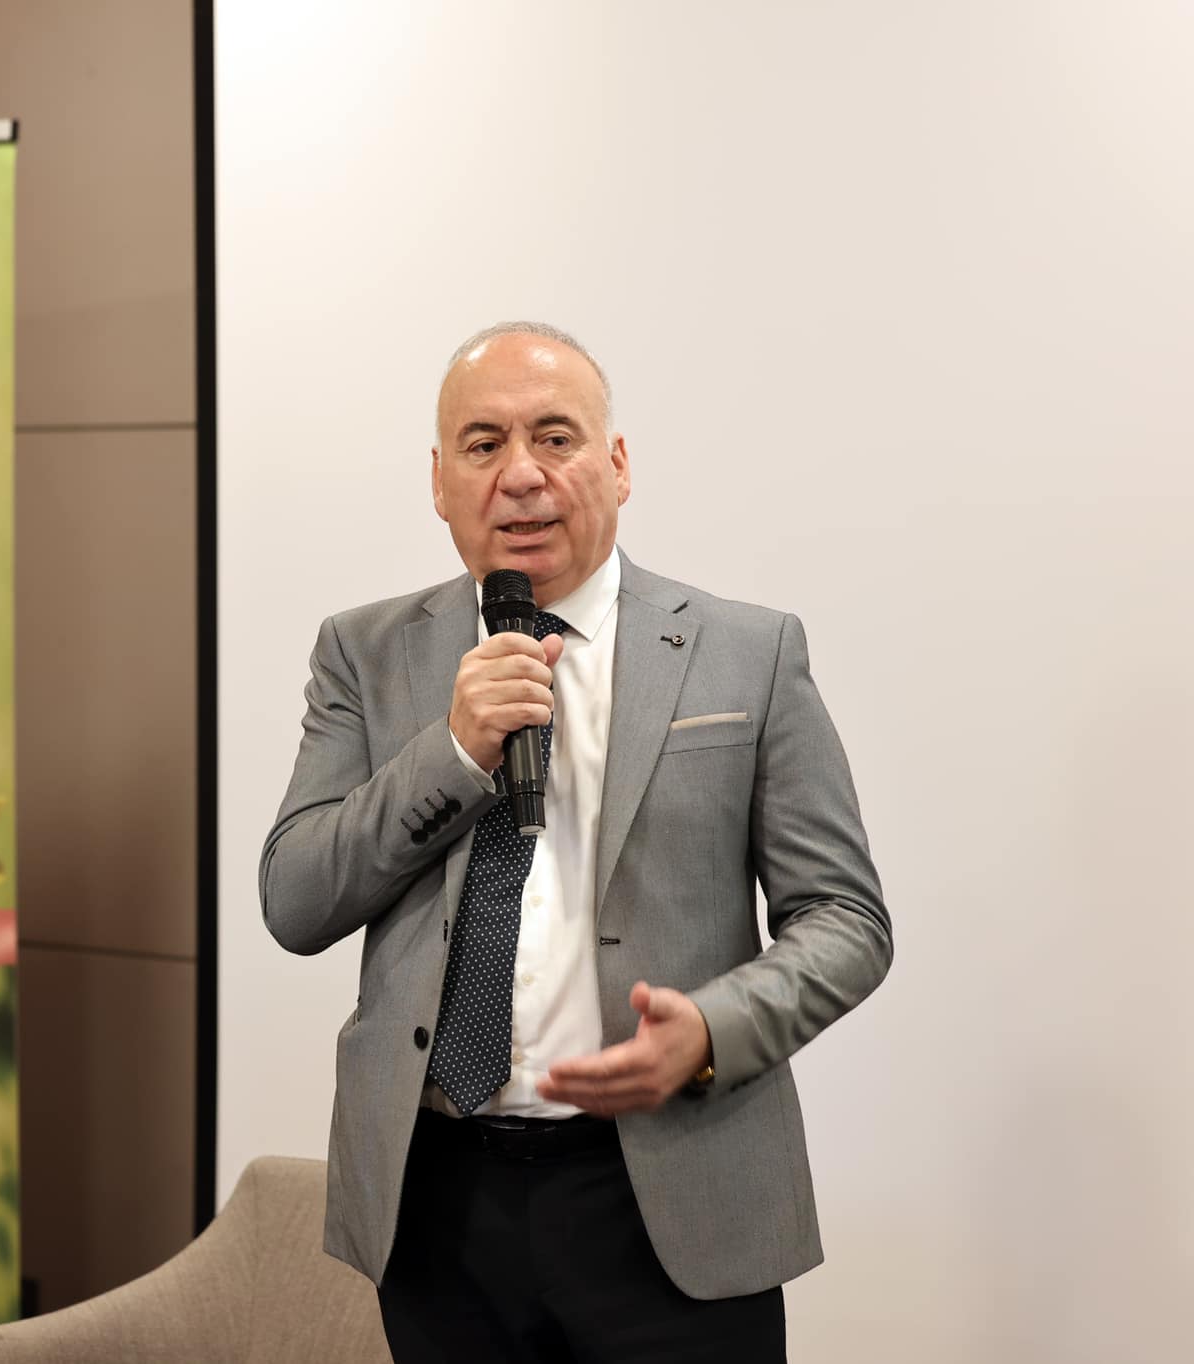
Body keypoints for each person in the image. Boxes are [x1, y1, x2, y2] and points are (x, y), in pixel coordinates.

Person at [261, 323, 892, 1361]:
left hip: (672, 1190)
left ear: (618, 463)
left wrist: (712, 1030)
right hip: (438, 1200)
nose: (520, 474)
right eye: (482, 444)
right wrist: (451, 753)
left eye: (554, 437)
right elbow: (294, 899)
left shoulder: (746, 652)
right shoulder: (363, 653)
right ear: (438, 481)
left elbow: (846, 919)